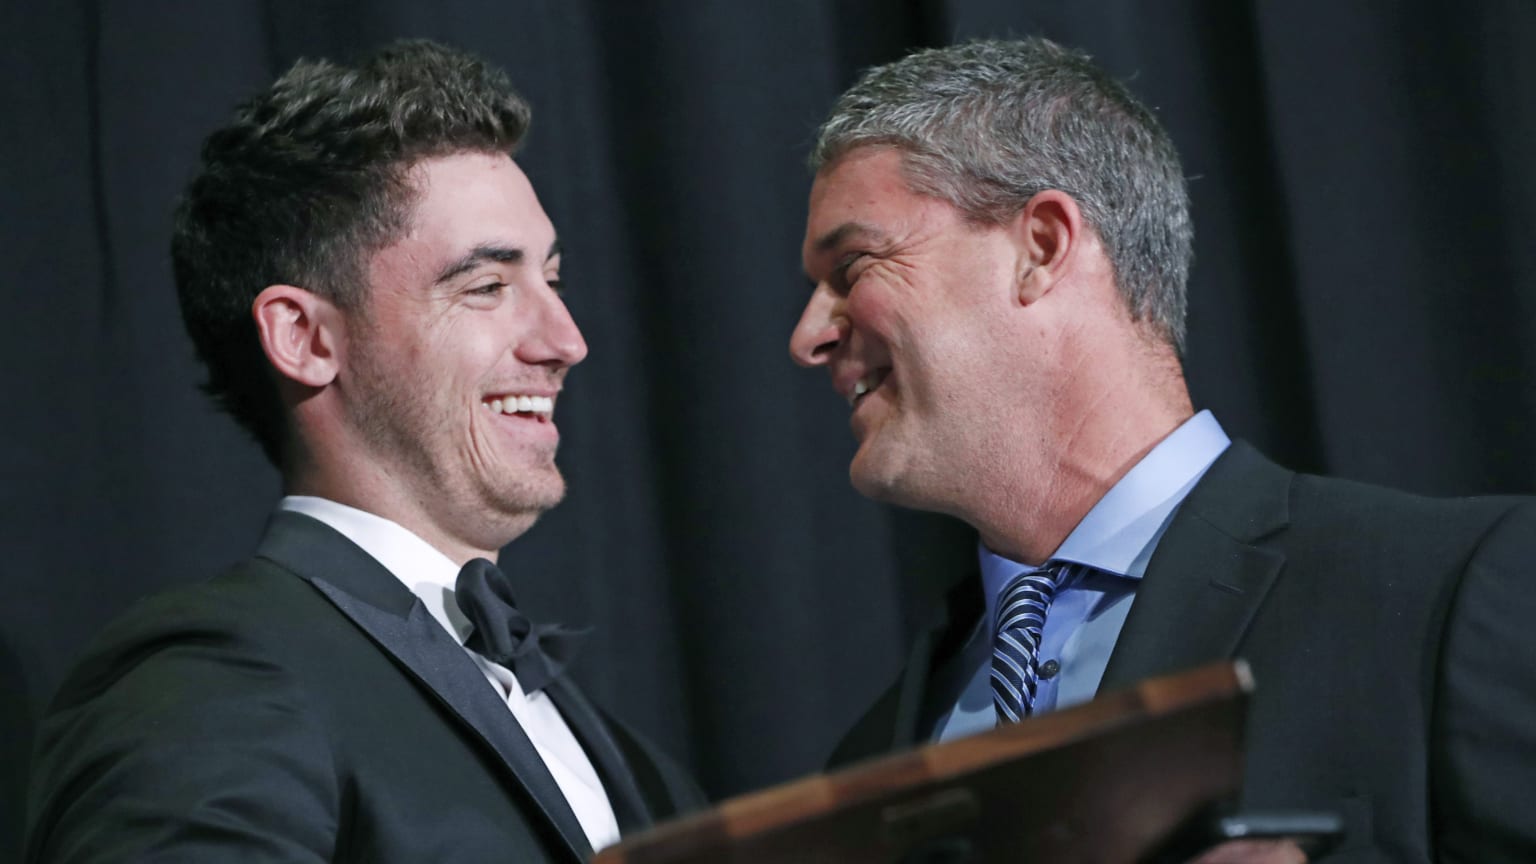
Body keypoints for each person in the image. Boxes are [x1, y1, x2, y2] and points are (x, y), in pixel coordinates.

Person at [789, 37, 1536, 862]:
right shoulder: (869, 764)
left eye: (853, 265)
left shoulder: (1449, 591)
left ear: (1040, 246)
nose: (808, 337)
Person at [26, 40, 700, 863]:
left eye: (551, 281)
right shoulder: (215, 681)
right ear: (305, 338)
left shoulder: (631, 760)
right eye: (487, 287)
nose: (566, 340)